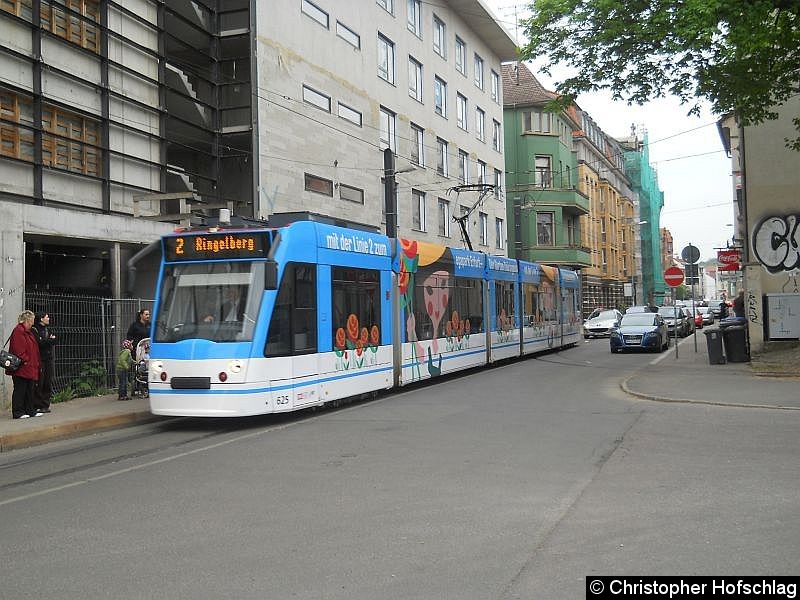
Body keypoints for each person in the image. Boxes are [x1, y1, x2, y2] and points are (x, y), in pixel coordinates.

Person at [6, 310, 43, 419]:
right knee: (20, 390)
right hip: (22, 367)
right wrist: (27, 360)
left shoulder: (28, 331)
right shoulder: (19, 331)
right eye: (32, 319)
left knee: (29, 389)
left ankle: (30, 410)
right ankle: (18, 412)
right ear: (27, 320)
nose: (33, 322)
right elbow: (19, 350)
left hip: (29, 366)